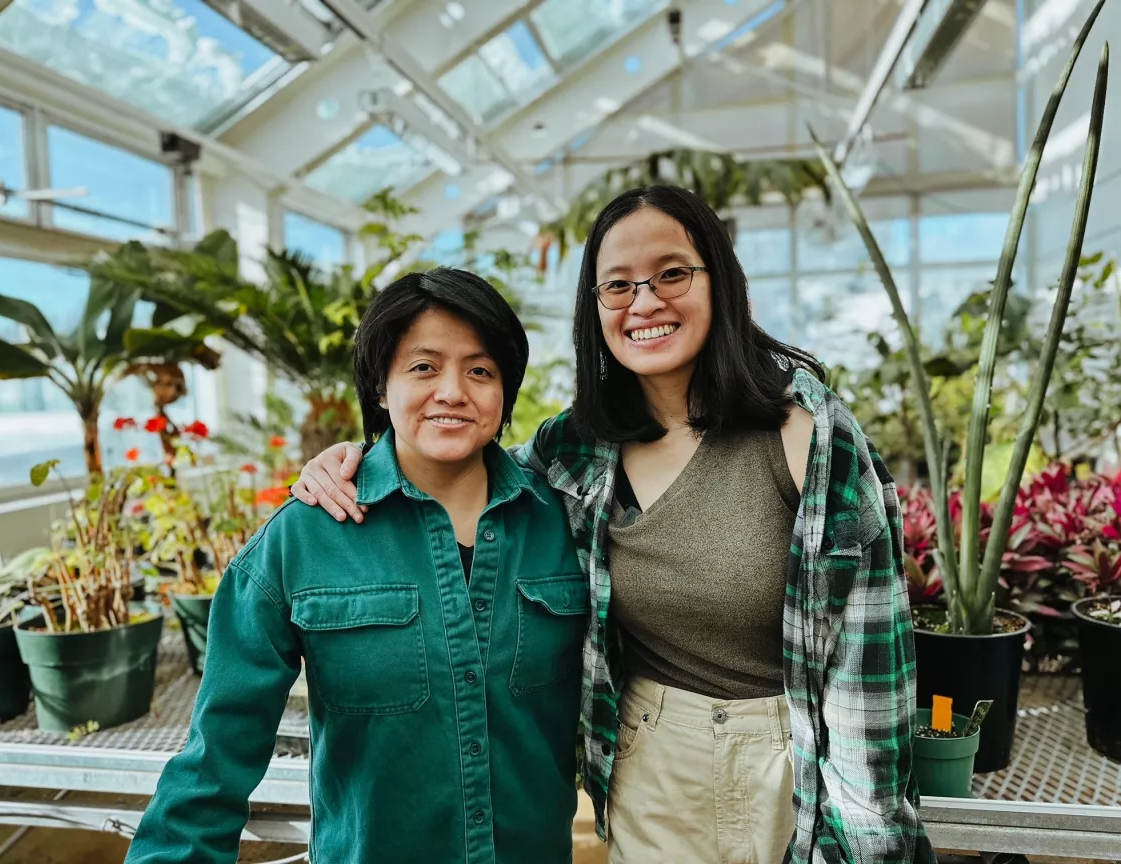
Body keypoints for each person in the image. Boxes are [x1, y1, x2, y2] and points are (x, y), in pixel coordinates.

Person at [292, 186, 936, 864]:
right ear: (594, 306)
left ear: (721, 280)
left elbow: (870, 664)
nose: (645, 302)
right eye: (618, 286)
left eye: (672, 274)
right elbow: (458, 462)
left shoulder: (810, 435)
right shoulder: (576, 451)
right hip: (650, 761)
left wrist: (872, 839)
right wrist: (358, 458)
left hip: (796, 760)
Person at [126, 269, 587, 864]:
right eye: (423, 367)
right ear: (379, 386)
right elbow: (217, 751)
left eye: (480, 370)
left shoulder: (565, 523)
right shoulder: (304, 536)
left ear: (505, 391)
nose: (452, 391)